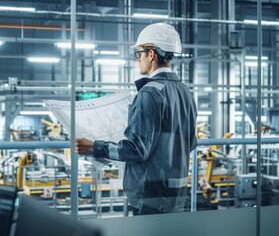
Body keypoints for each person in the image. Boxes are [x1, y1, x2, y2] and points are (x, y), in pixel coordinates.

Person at [76, 23, 197, 215]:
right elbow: (190, 142)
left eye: (139, 53)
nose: (138, 58)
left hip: (151, 195)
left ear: (152, 54)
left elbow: (137, 150)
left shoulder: (149, 93)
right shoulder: (184, 91)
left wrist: (94, 147)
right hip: (177, 192)